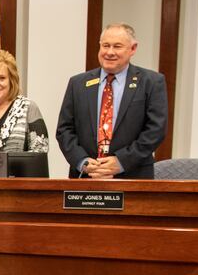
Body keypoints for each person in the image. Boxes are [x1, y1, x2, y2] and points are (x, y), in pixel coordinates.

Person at [56, 22, 167, 179]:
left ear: (133, 49)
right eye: (105, 45)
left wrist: (121, 162)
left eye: (117, 46)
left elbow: (155, 131)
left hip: (132, 176)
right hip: (85, 178)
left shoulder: (151, 82)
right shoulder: (78, 83)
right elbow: (64, 130)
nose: (110, 52)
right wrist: (83, 162)